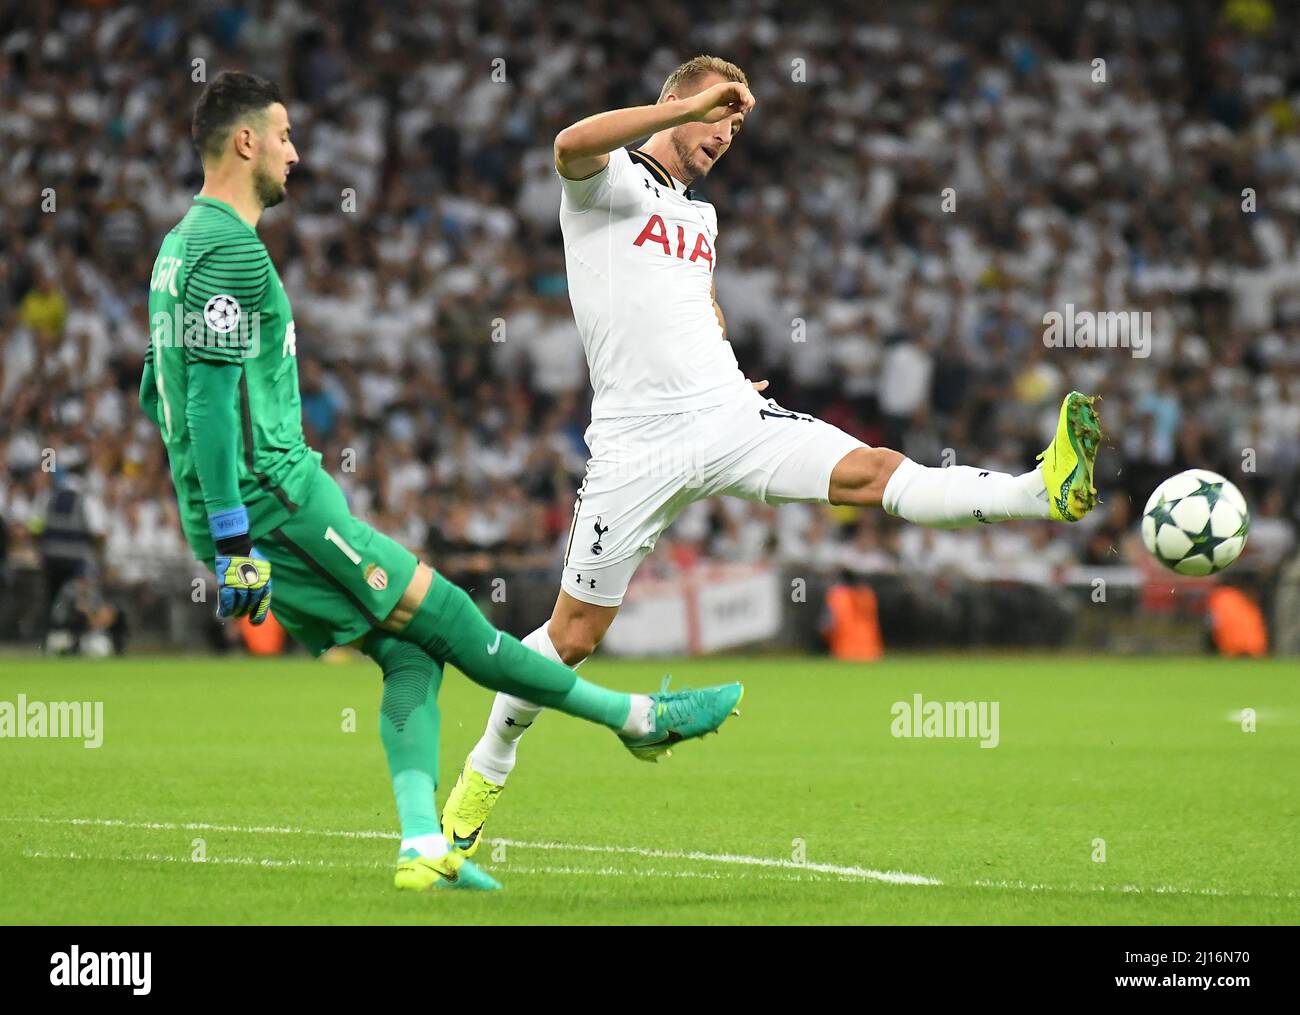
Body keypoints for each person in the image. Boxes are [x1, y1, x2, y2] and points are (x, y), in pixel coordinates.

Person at [444, 54, 1102, 855]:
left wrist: (721, 356)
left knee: (870, 470)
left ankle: (1042, 490)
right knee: (573, 635)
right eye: (721, 113)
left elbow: (696, 304)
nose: (728, 132)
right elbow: (568, 140)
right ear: (679, 102)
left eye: (739, 123)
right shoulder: (605, 183)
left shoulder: (700, 218)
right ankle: (489, 761)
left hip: (727, 416)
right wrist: (678, 109)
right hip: (634, 443)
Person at [140, 70, 743, 893]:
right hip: (276, 502)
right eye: (283, 137)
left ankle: (423, 842)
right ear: (245, 142)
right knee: (459, 620)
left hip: (226, 513)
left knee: (407, 657)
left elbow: (156, 388)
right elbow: (207, 403)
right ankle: (639, 719)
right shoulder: (231, 251)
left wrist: (211, 525)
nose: (296, 153)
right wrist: (240, 538)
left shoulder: (177, 248)